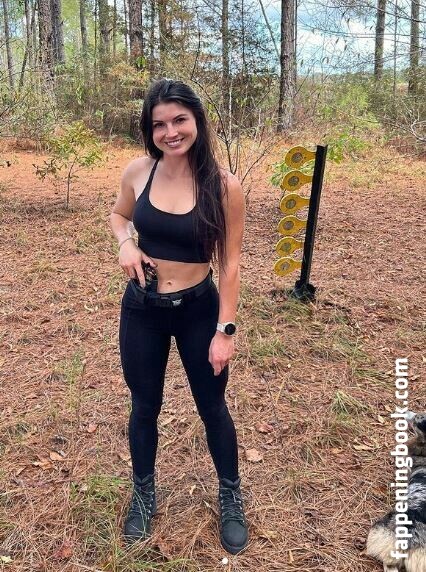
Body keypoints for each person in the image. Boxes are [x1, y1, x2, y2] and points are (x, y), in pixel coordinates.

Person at [109, 78, 248, 555]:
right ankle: (143, 494)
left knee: (212, 406)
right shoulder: (138, 171)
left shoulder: (224, 186)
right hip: (142, 309)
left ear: (197, 121)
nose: (170, 132)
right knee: (144, 406)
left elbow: (230, 264)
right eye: (159, 124)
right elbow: (118, 216)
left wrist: (224, 331)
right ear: (149, 130)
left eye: (179, 120)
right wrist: (126, 243)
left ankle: (230, 495)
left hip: (198, 310)